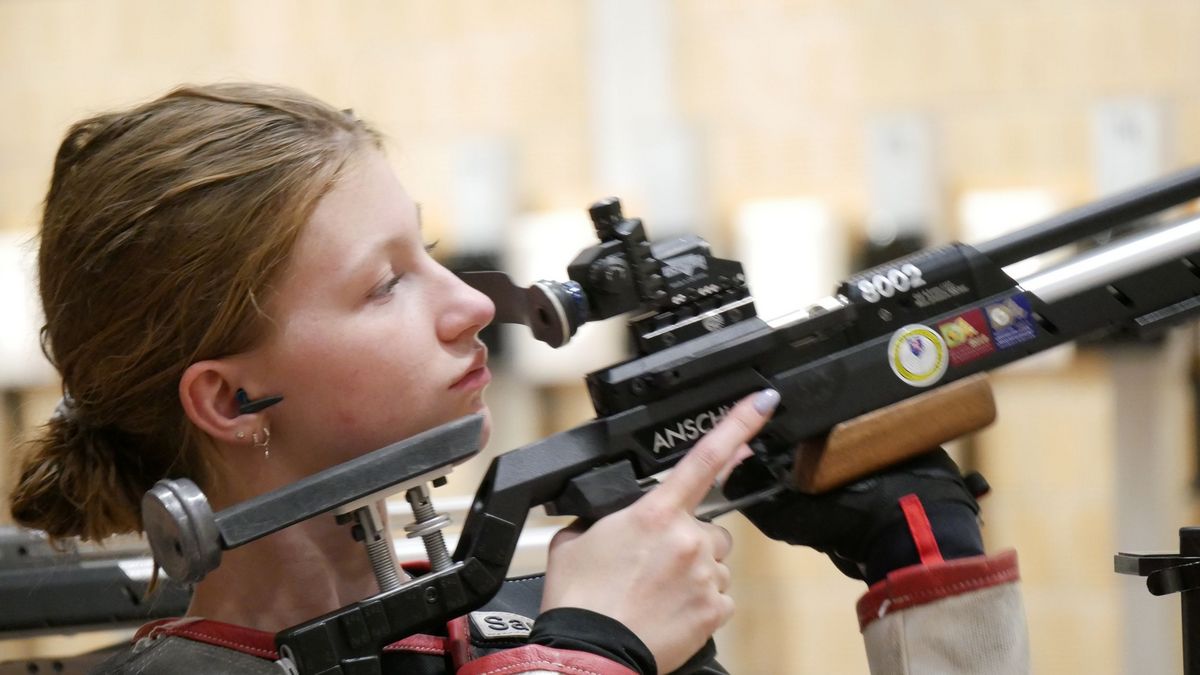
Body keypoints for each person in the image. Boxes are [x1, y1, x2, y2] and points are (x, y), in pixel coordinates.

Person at [8, 83, 1028, 675]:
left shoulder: (522, 610)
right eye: (384, 285)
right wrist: (592, 650)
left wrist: (925, 568)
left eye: (429, 251)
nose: (467, 305)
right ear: (232, 400)